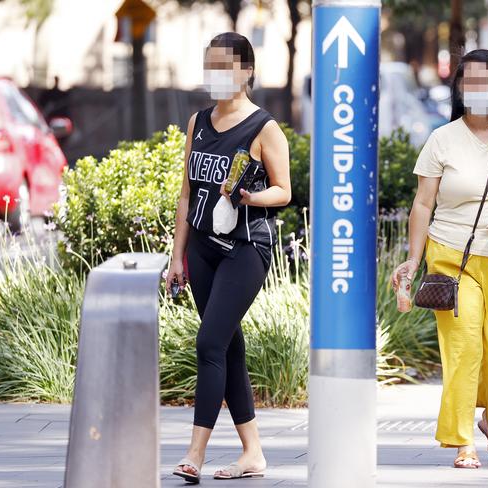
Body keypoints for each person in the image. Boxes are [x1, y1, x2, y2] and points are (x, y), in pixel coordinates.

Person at [391, 49, 488, 469]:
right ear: (459, 89)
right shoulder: (441, 140)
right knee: (463, 350)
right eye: (471, 82)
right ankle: (464, 441)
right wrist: (414, 259)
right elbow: (422, 205)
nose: (480, 89)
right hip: (451, 257)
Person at [165, 32, 291, 483]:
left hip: (244, 249)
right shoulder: (197, 121)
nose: (215, 75)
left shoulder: (264, 127)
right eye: (210, 65)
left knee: (209, 343)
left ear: (247, 71)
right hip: (201, 248)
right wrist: (177, 255)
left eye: (224, 66)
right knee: (228, 346)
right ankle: (252, 453)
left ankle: (194, 455)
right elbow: (186, 194)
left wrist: (246, 195)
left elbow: (284, 191)